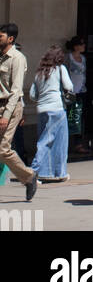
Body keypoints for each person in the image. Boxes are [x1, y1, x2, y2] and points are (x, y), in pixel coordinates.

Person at [0, 24, 37, 202]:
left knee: (3, 149)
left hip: (10, 107)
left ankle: (29, 177)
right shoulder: (0, 57)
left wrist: (6, 116)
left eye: (1, 36)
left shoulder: (17, 58)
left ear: (10, 39)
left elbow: (16, 91)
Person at [29, 44, 74, 183]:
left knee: (45, 139)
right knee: (57, 142)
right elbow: (69, 86)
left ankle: (49, 173)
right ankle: (34, 172)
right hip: (57, 109)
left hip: (42, 109)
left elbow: (32, 95)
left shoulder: (39, 73)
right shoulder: (60, 69)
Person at [65, 36, 88, 155]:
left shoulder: (83, 58)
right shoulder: (68, 57)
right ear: (75, 46)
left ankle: (78, 144)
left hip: (80, 90)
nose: (84, 46)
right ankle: (66, 143)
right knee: (69, 116)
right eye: (81, 44)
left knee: (78, 117)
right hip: (69, 92)